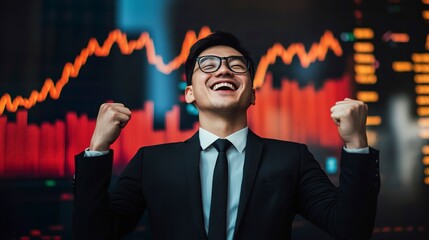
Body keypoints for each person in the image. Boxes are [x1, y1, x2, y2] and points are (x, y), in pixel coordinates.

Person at [73, 31, 380, 240]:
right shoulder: (151, 162)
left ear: (253, 95)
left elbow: (351, 228)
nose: (223, 71)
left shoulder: (292, 158)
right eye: (208, 65)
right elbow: (95, 233)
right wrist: (97, 149)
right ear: (190, 94)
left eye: (237, 65)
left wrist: (356, 145)